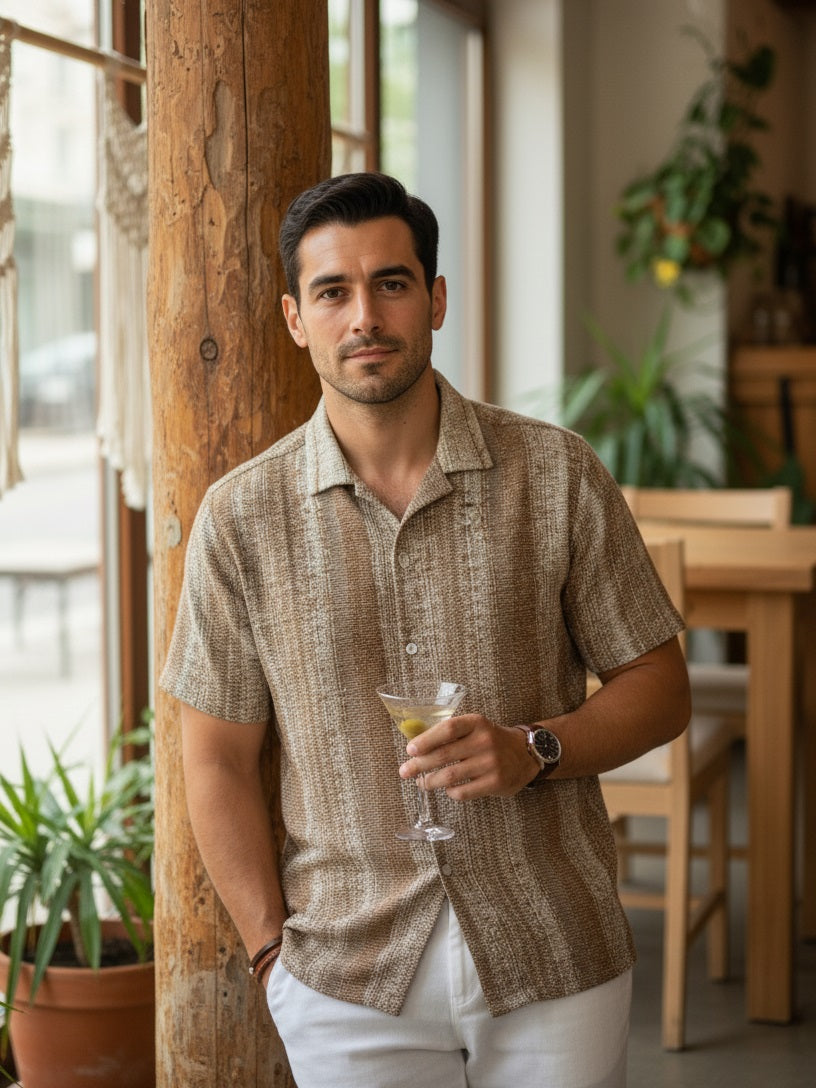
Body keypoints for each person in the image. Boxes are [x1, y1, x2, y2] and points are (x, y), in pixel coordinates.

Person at [161, 171, 690, 1088]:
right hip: (344, 977)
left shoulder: (556, 474)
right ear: (297, 318)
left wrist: (538, 747)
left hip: (553, 947)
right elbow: (213, 758)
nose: (364, 314)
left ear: (435, 299)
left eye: (391, 283)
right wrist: (268, 957)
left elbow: (663, 687)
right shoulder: (240, 518)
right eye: (333, 291)